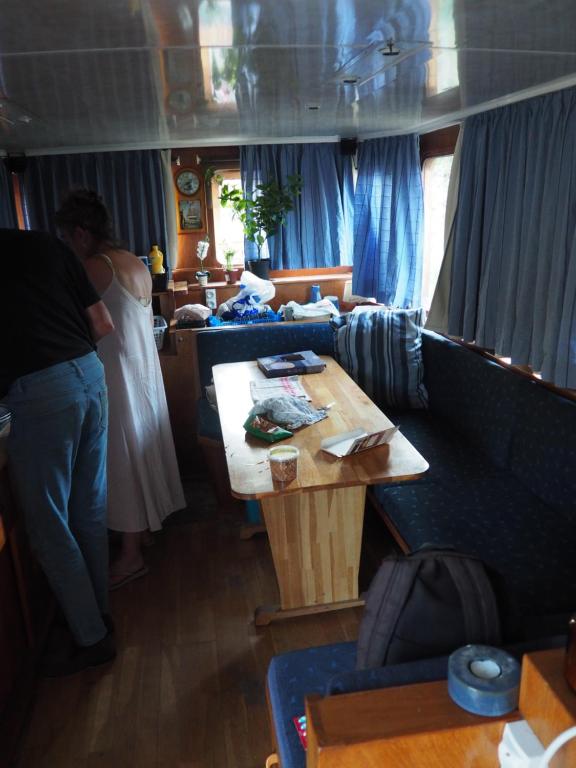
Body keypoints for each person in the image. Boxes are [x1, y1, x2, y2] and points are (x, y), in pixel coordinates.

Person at [55, 190, 186, 589]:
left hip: (115, 371)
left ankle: (130, 556)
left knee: (121, 460)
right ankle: (141, 531)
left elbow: (82, 323)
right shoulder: (134, 261)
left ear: (80, 234)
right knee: (139, 449)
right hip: (141, 369)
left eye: (65, 238)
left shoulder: (97, 266)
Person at [0, 228, 116, 676]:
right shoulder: (45, 243)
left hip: (39, 392)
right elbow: (102, 322)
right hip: (89, 373)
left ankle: (91, 637)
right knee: (87, 508)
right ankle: (98, 616)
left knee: (48, 524)